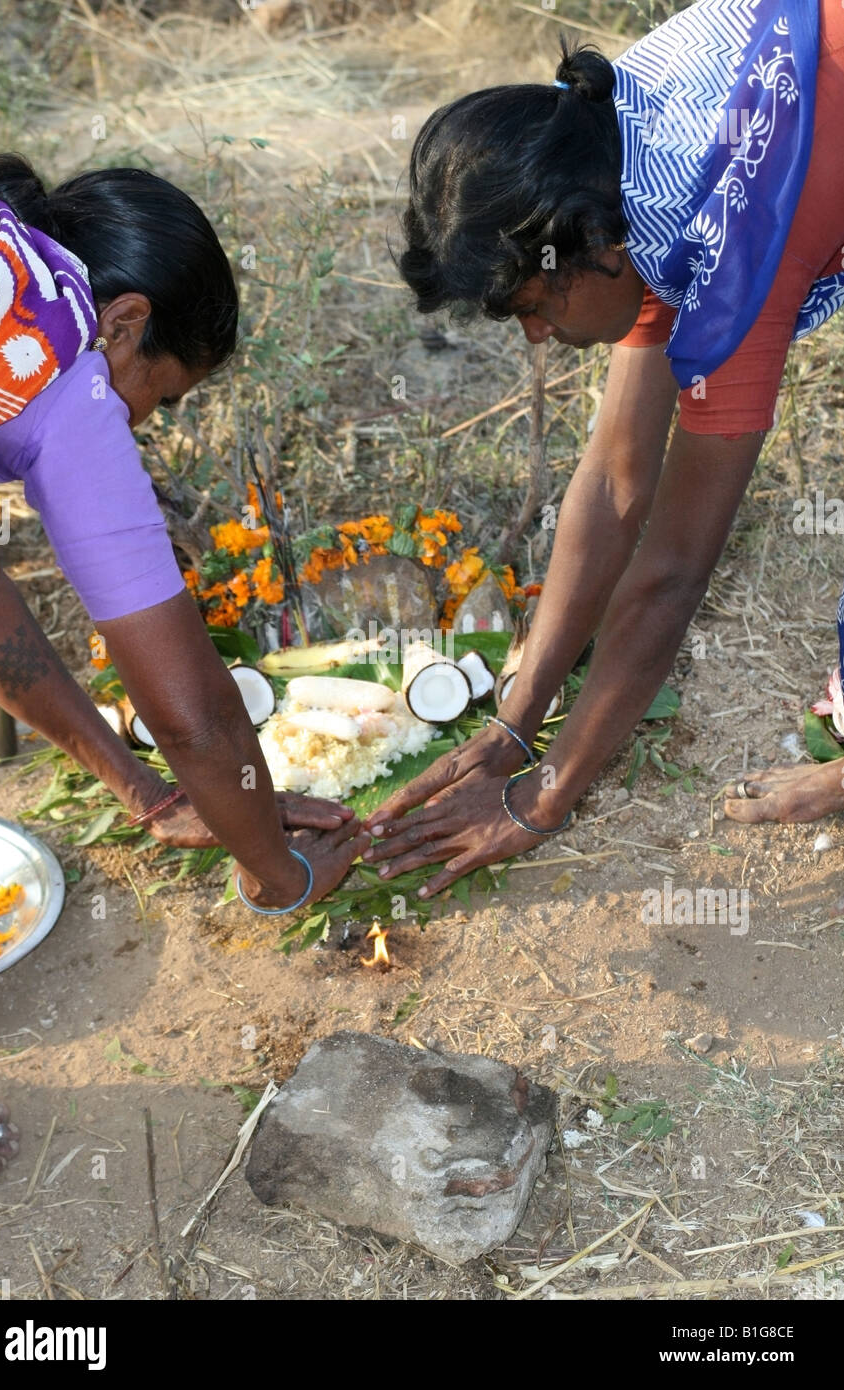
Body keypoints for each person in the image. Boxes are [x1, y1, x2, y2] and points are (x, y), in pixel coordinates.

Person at [0, 155, 368, 1201]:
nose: (138, 423)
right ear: (125, 324)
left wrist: (138, 789)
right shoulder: (55, 356)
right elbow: (189, 711)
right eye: (162, 398)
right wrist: (280, 876)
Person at [364, 0, 844, 891]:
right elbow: (617, 479)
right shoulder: (610, 157)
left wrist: (541, 799)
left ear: (589, 249)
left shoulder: (736, 233)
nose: (538, 338)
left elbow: (669, 573)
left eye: (534, 309)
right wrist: (515, 723)